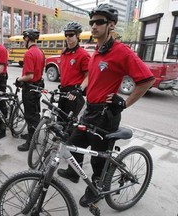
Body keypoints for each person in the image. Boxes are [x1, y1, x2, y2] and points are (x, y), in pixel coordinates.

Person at [57, 3, 155, 207]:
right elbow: (93, 78)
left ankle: (96, 190)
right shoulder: (98, 51)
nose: (93, 26)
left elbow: (147, 80)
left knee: (98, 160)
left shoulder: (121, 51)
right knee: (73, 143)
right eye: (91, 22)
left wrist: (125, 103)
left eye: (99, 22)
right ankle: (74, 173)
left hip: (105, 114)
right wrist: (80, 89)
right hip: (90, 110)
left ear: (111, 25)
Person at [15, 29, 45, 151]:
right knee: (35, 113)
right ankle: (33, 135)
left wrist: (18, 79)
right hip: (37, 87)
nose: (23, 42)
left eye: (24, 39)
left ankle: (31, 142)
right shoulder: (40, 52)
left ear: (27, 39)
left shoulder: (29, 53)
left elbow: (29, 75)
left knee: (30, 115)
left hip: (30, 88)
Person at [57, 21, 90, 121]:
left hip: (74, 94)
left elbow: (89, 76)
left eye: (71, 34)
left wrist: (79, 89)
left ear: (78, 35)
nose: (68, 37)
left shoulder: (83, 54)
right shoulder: (64, 52)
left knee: (69, 125)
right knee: (59, 122)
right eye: (66, 34)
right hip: (63, 91)